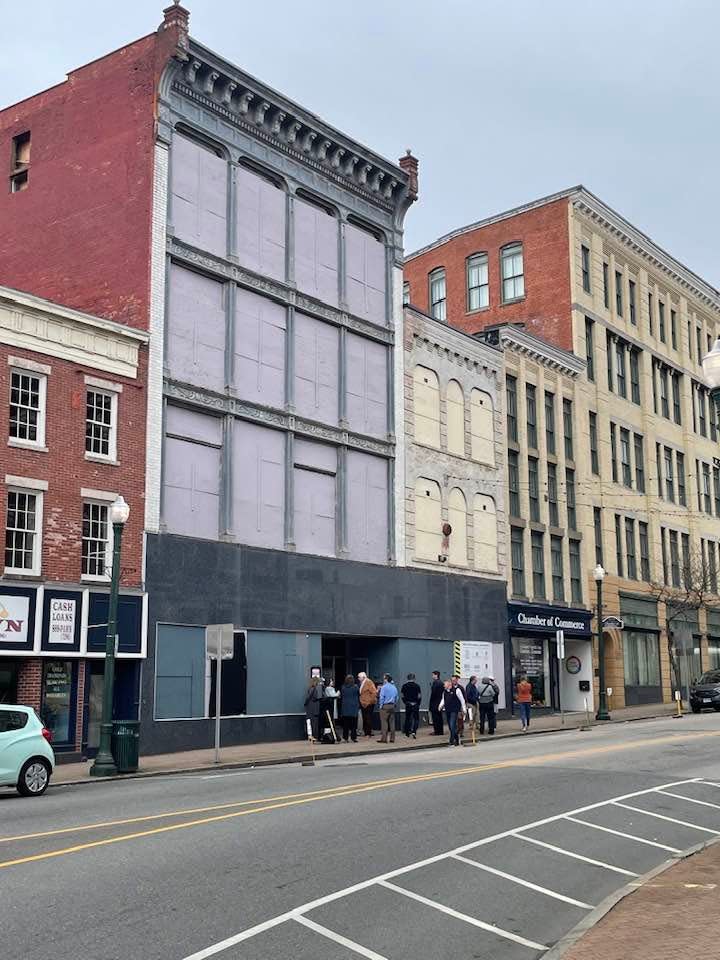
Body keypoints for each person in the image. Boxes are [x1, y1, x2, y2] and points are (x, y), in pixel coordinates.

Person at [439, 678, 466, 746]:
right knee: (451, 727)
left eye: (444, 684)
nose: (443, 686)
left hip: (454, 710)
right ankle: (457, 739)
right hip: (447, 710)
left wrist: (464, 709)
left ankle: (451, 741)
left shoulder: (457, 690)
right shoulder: (444, 692)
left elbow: (462, 700)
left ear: (449, 684)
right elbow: (443, 700)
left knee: (452, 724)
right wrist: (440, 706)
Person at [377, 674, 399, 743]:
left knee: (384, 722)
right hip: (392, 706)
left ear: (386, 679)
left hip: (385, 706)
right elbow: (397, 697)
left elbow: (382, 697)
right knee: (392, 722)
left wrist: (381, 706)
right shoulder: (394, 687)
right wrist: (394, 704)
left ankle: (384, 738)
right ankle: (392, 738)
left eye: (384, 679)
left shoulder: (384, 687)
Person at [339, 675, 360, 743]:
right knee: (354, 724)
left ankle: (345, 738)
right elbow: (359, 694)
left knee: (346, 725)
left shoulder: (343, 688)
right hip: (354, 708)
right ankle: (353, 737)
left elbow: (341, 696)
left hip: (345, 708)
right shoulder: (356, 687)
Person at [401, 673, 422, 738]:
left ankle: (407, 732)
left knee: (408, 718)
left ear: (407, 678)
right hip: (415, 704)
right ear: (414, 678)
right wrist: (418, 703)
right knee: (416, 719)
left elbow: (402, 695)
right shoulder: (417, 686)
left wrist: (405, 702)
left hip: (408, 704)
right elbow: (419, 696)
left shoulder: (404, 686)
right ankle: (414, 731)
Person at [358, 672, 378, 737]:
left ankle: (368, 733)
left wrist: (369, 701)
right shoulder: (362, 683)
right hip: (363, 703)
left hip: (368, 703)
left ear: (363, 677)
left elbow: (374, 692)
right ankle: (366, 732)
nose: (358, 678)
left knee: (368, 718)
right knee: (364, 718)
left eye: (359, 677)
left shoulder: (369, 682)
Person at [304, 676, 323, 741]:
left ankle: (310, 735)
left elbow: (308, 697)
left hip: (310, 707)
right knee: (314, 723)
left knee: (309, 722)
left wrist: (306, 703)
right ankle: (313, 736)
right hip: (313, 708)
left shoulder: (310, 688)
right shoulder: (314, 689)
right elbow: (312, 697)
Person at [429, 670, 444, 735]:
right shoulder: (441, 682)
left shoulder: (435, 683)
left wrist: (431, 702)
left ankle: (437, 731)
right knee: (439, 717)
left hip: (435, 703)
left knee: (435, 718)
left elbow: (433, 694)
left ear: (436, 675)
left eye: (433, 675)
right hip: (439, 702)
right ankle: (440, 731)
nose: (432, 676)